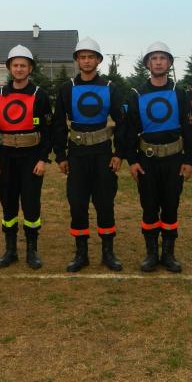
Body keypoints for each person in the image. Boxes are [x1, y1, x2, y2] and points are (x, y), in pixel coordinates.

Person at [53, 38, 126, 272]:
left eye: (91, 57)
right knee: (77, 204)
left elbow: (123, 123)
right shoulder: (66, 89)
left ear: (98, 60)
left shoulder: (110, 88)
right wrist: (61, 156)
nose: (86, 61)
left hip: (103, 154)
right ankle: (81, 253)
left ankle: (108, 253)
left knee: (105, 203)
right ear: (77, 60)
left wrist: (119, 153)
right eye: (82, 57)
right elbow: (58, 124)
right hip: (76, 155)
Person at [125, 42, 192, 273]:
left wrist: (189, 160)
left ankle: (168, 253)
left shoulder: (180, 93)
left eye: (162, 58)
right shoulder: (136, 94)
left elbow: (189, 129)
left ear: (169, 63)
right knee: (149, 207)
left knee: (171, 207)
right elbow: (129, 131)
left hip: (174, 160)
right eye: (154, 58)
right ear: (147, 63)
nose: (158, 62)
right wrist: (132, 161)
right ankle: (151, 253)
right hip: (147, 161)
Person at [0, 45, 53, 269]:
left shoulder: (40, 95)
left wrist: (42, 159)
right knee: (8, 203)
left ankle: (32, 250)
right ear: (9, 68)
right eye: (15, 65)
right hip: (6, 157)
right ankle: (10, 249)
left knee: (31, 204)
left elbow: (48, 131)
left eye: (23, 65)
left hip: (31, 157)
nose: (19, 69)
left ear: (30, 68)